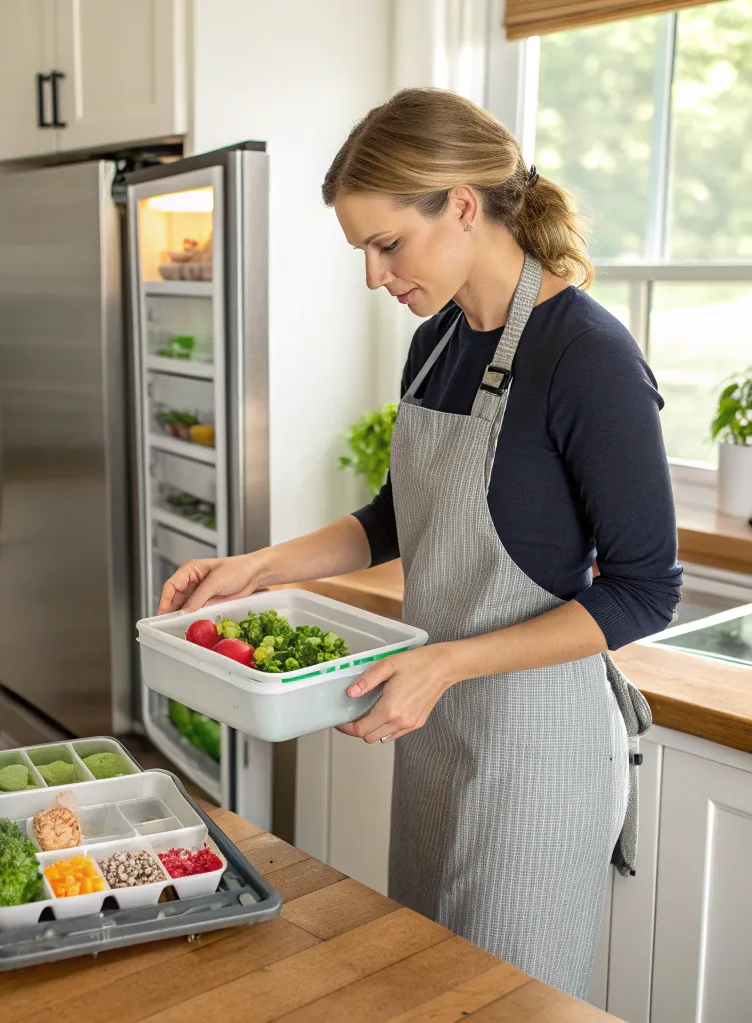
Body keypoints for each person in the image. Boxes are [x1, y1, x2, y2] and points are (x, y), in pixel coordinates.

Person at [157, 88, 681, 998]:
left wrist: (445, 664)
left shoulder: (586, 355)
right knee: (426, 995)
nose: (373, 276)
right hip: (438, 735)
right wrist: (256, 567)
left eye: (386, 244)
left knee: (505, 1007)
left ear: (464, 206)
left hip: (537, 752)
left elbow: (644, 590)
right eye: (363, 250)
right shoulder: (439, 341)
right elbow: (396, 518)